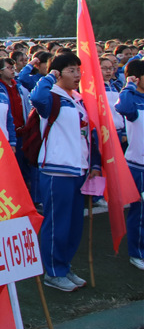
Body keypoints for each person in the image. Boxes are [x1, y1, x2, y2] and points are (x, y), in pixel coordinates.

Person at [31, 52, 101, 292]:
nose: (77, 75)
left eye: (78, 70)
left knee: (73, 225)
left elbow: (89, 134)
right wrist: (48, 77)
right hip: (56, 169)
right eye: (71, 70)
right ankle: (52, 271)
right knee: (57, 223)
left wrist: (94, 164)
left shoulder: (77, 99)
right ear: (59, 73)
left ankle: (64, 265)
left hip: (78, 169)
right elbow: (37, 98)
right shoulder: (52, 97)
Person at [115, 59, 144, 270]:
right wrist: (129, 85)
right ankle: (137, 252)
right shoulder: (131, 99)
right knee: (140, 212)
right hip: (138, 165)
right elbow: (122, 107)